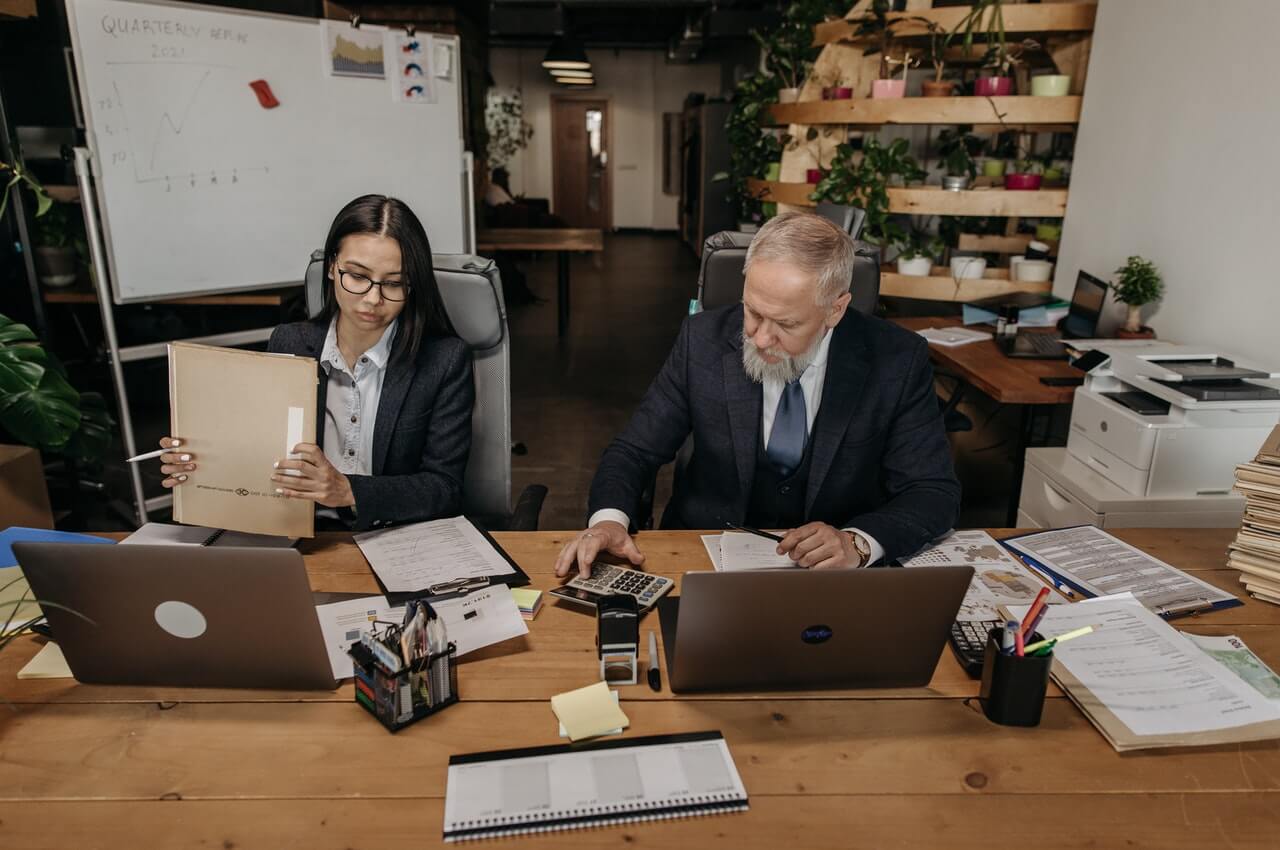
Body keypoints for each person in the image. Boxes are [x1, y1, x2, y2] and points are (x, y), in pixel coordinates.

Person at [555, 211, 960, 578]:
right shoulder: (703, 341)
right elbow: (634, 451)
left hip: (831, 577)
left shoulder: (897, 359)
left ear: (835, 310)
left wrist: (856, 542)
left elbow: (932, 490)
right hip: (703, 557)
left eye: (785, 323)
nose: (760, 337)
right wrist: (608, 521)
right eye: (752, 310)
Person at [156, 194, 474, 531]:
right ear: (332, 268)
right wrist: (201, 464)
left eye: (394, 283)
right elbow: (261, 450)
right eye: (357, 275)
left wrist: (347, 490)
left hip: (394, 535)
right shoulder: (289, 343)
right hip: (299, 533)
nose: (372, 298)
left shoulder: (443, 359)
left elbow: (444, 487)